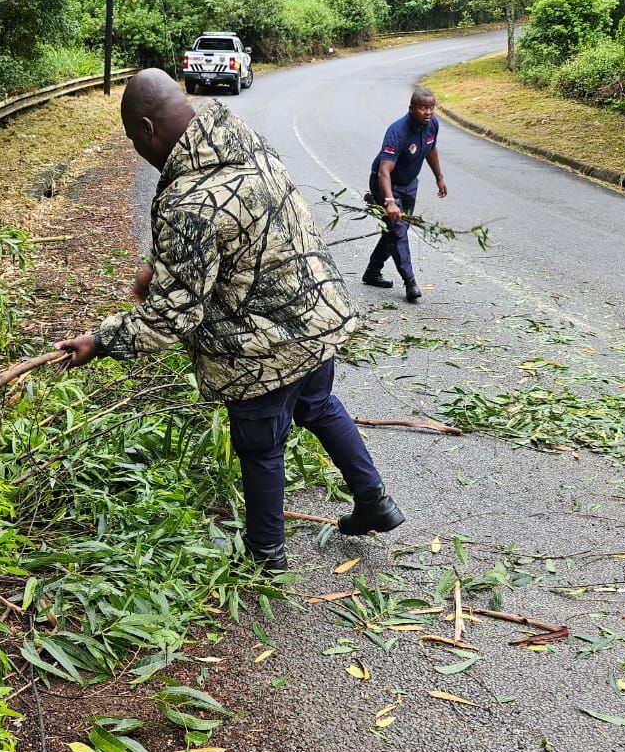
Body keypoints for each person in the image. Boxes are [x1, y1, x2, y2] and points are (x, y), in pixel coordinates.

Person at [56, 69, 404, 572]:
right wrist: (159, 262)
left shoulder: (186, 202)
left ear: (149, 129)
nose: (137, 148)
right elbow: (229, 220)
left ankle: (267, 556)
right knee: (320, 405)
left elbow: (173, 315)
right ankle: (375, 501)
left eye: (134, 139)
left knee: (260, 448)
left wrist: (100, 340)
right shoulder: (238, 135)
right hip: (316, 317)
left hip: (262, 347)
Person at [362, 87, 447, 302]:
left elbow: (431, 149)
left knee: (395, 230)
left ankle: (373, 272)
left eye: (431, 108)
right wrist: (389, 201)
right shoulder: (397, 132)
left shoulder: (432, 125)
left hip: (409, 184)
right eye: (423, 108)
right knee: (398, 230)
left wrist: (439, 177)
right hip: (385, 184)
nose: (428, 112)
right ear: (411, 109)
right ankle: (410, 283)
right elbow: (384, 171)